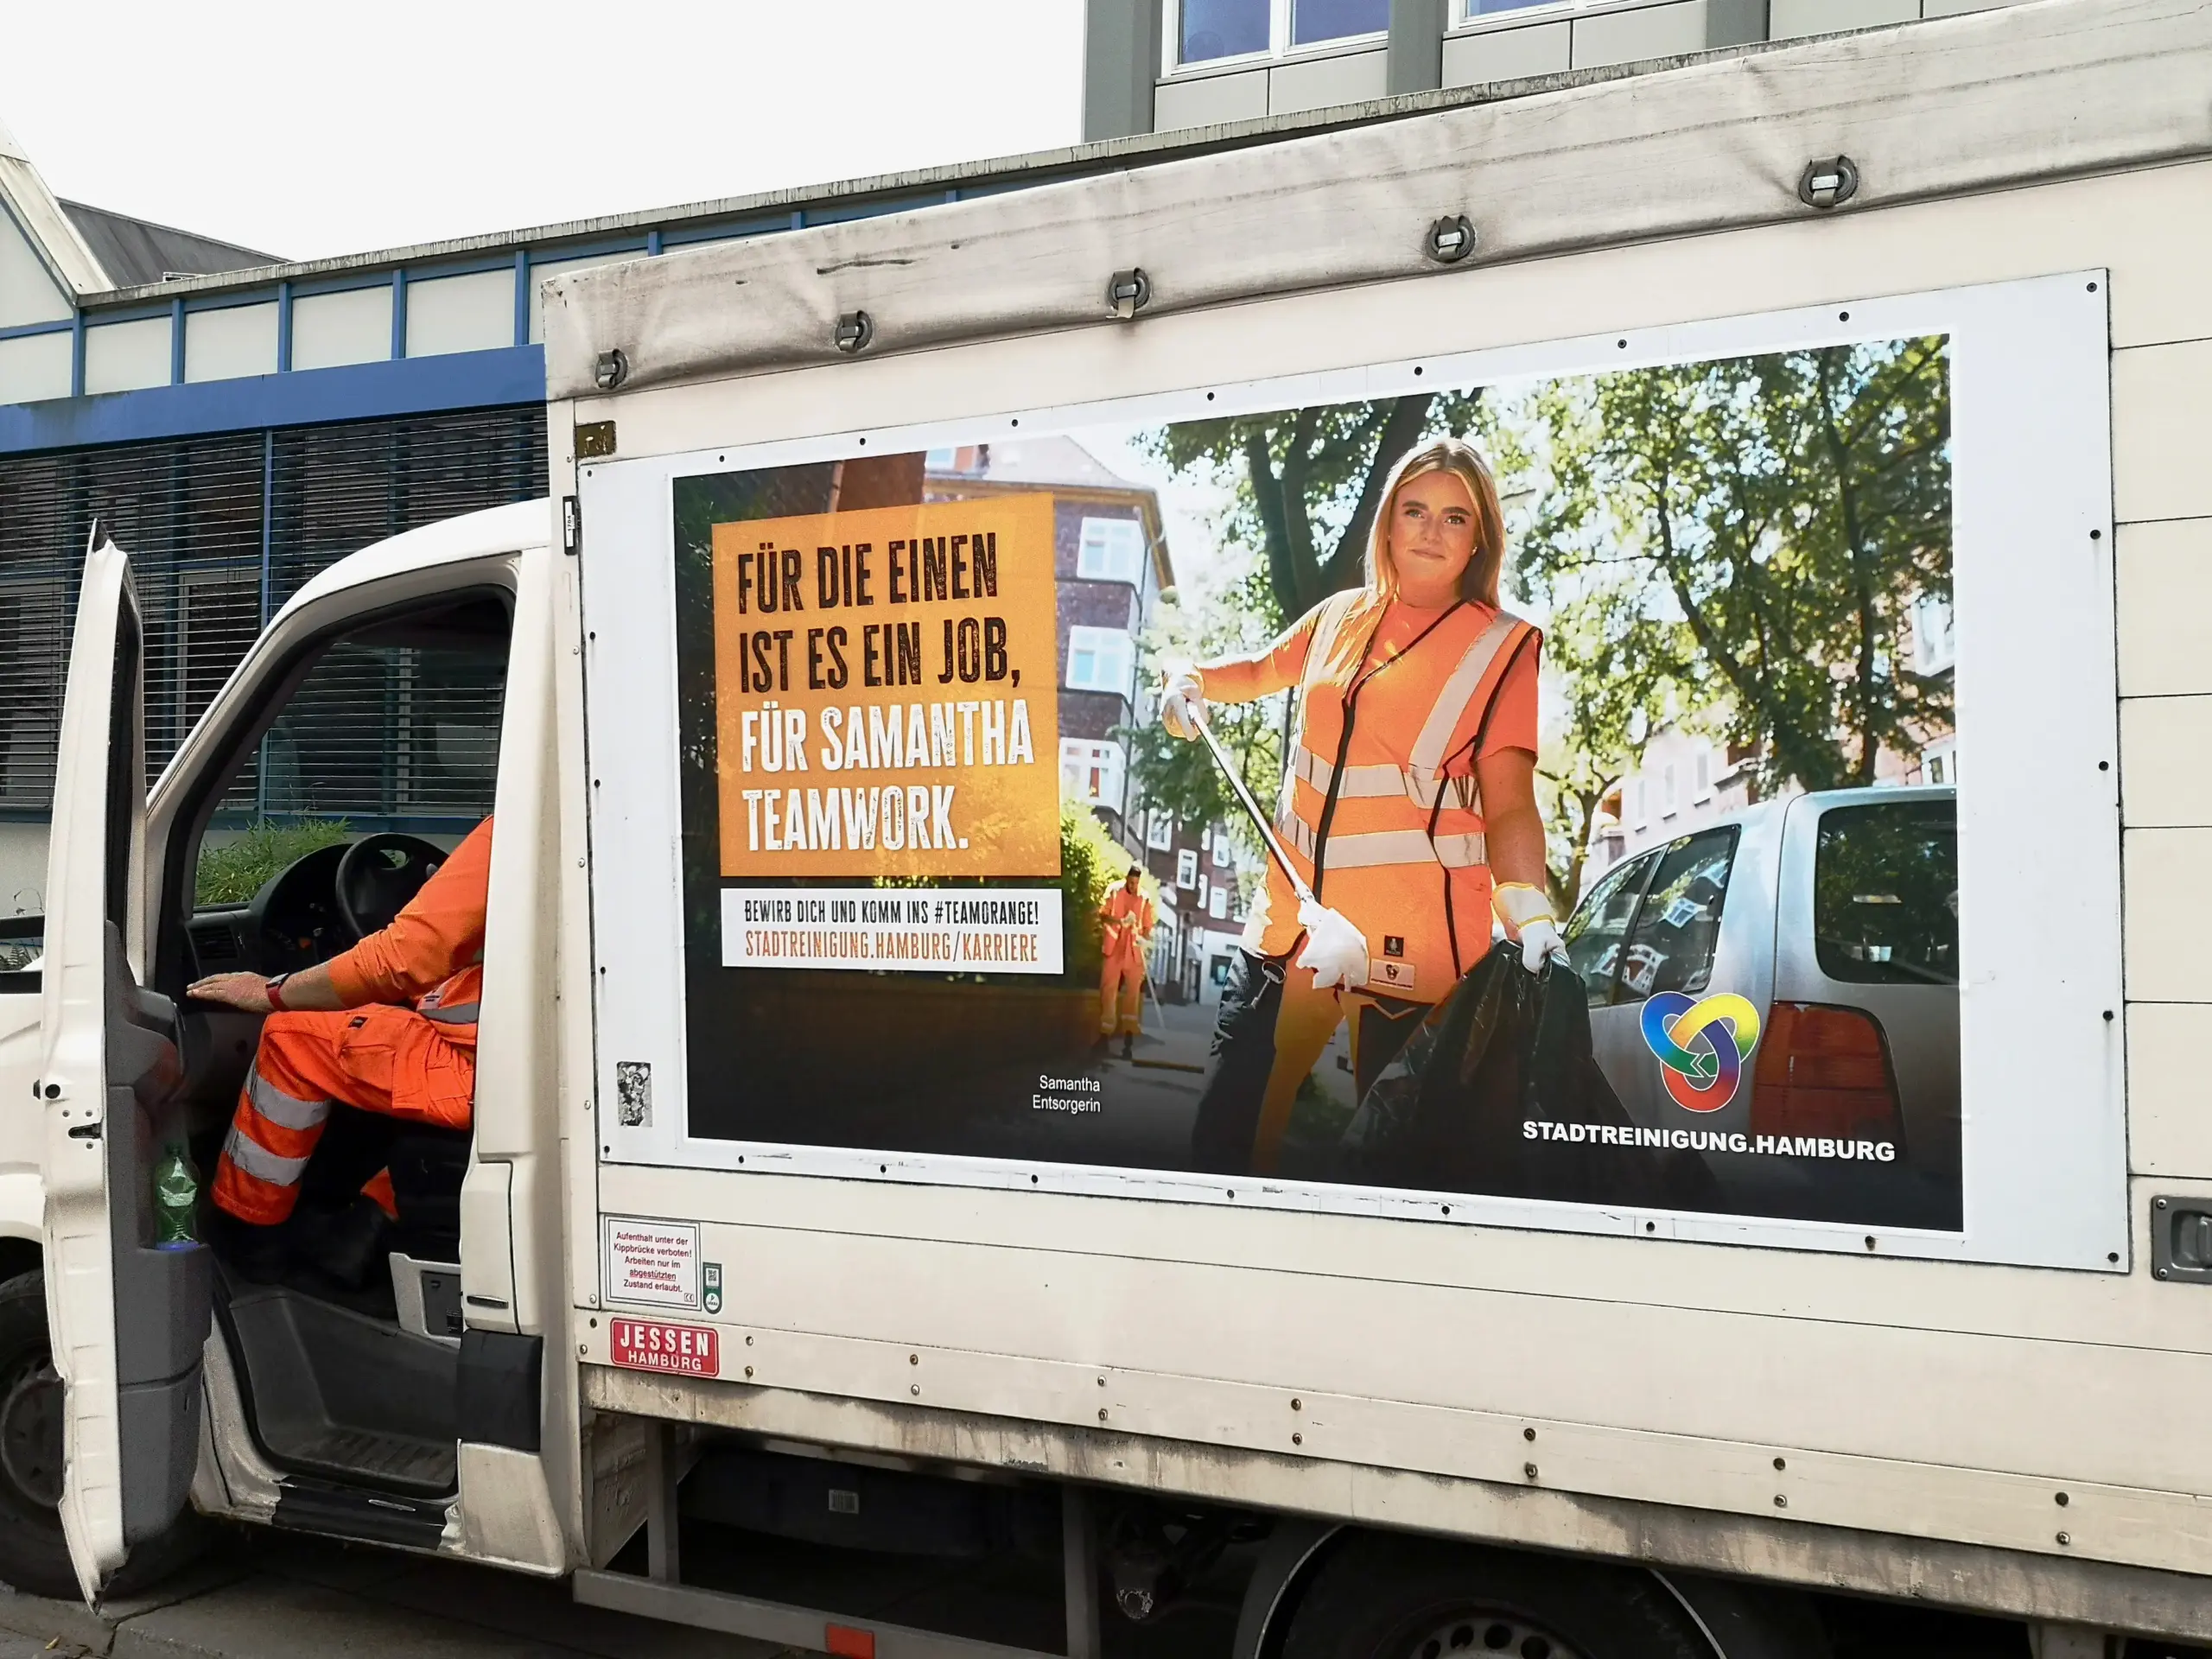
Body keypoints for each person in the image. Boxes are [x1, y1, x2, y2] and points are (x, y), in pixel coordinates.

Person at [1158, 437, 1559, 1174]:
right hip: (1289, 927)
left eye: (1455, 517)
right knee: (1222, 1145)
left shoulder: (1506, 648)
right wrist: (1192, 680)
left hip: (1415, 949)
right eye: (1415, 510)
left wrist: (1528, 906)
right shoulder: (1338, 617)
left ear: (1480, 540)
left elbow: (1509, 804)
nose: (1431, 530)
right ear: (1387, 523)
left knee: (1401, 1171)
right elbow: (1256, 669)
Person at [187, 816, 493, 1233]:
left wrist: (270, 993)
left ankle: (248, 1230)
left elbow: (397, 960)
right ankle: (371, 1220)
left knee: (291, 1038)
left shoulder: (521, 824)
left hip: (489, 1065)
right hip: (550, 1059)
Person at [1096, 866, 1155, 1060]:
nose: (1133, 886)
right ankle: (1104, 1037)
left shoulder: (1145, 898)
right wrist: (1119, 921)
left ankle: (1128, 1043)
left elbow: (1148, 927)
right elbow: (1102, 914)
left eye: (1136, 883)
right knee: (1108, 992)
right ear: (1126, 879)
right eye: (1131, 882)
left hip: (1134, 954)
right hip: (1114, 950)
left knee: (1132, 997)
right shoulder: (1114, 891)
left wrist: (1144, 939)